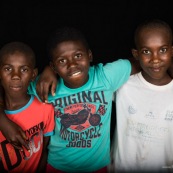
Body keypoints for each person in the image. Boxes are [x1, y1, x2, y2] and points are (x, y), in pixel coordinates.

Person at [26, 26, 140, 173]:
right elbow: (8, 88)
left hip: (97, 167)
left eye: (78, 56)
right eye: (62, 61)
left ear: (90, 55)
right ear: (53, 67)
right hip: (58, 166)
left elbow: (143, 61)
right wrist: (46, 73)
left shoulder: (105, 76)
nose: (72, 64)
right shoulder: (45, 86)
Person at [110, 19, 173, 173]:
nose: (155, 59)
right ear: (136, 54)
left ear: (172, 51)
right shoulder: (123, 85)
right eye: (146, 51)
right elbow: (89, 82)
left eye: (162, 50)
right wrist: (50, 71)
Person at [0, 42, 55, 172]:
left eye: (24, 69)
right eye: (8, 69)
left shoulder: (45, 107)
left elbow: (44, 151)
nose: (15, 76)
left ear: (33, 75)